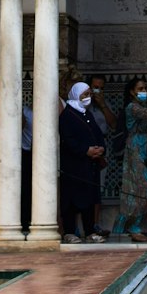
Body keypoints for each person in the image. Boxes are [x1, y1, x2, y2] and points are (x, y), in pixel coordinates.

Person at [58, 81, 107, 243]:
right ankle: (70, 232)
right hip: (74, 166)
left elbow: (98, 134)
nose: (88, 98)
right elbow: (68, 139)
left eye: (89, 94)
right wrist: (85, 150)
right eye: (84, 95)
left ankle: (89, 231)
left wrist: (100, 149)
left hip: (89, 165)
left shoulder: (87, 114)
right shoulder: (68, 115)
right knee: (71, 200)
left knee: (89, 198)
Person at [113, 76, 147, 243]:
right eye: (140, 89)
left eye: (145, 88)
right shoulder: (132, 107)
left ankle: (143, 227)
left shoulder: (143, 106)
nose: (144, 91)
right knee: (144, 188)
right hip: (135, 150)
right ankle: (133, 227)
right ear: (132, 92)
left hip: (146, 149)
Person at [88, 73, 117, 237]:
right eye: (95, 87)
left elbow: (113, 124)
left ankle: (95, 224)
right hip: (85, 150)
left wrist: (103, 104)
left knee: (98, 188)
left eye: (101, 88)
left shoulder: (105, 105)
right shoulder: (82, 105)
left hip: (102, 149)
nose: (97, 91)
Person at [20, 101, 33, 235]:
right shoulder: (25, 111)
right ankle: (24, 223)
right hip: (25, 153)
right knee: (25, 189)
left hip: (42, 155)